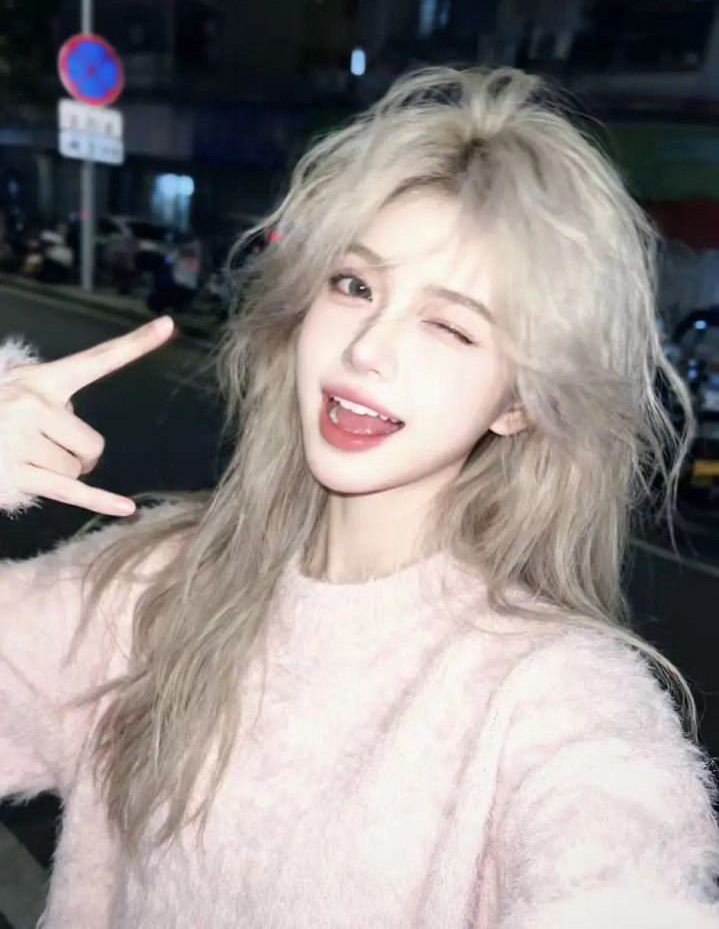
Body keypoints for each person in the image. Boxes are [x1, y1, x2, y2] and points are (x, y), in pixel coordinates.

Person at [0, 68, 718, 929]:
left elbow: (623, 878)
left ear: (520, 401)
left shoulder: (554, 695)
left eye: (448, 324)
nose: (368, 347)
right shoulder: (151, 585)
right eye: (354, 286)